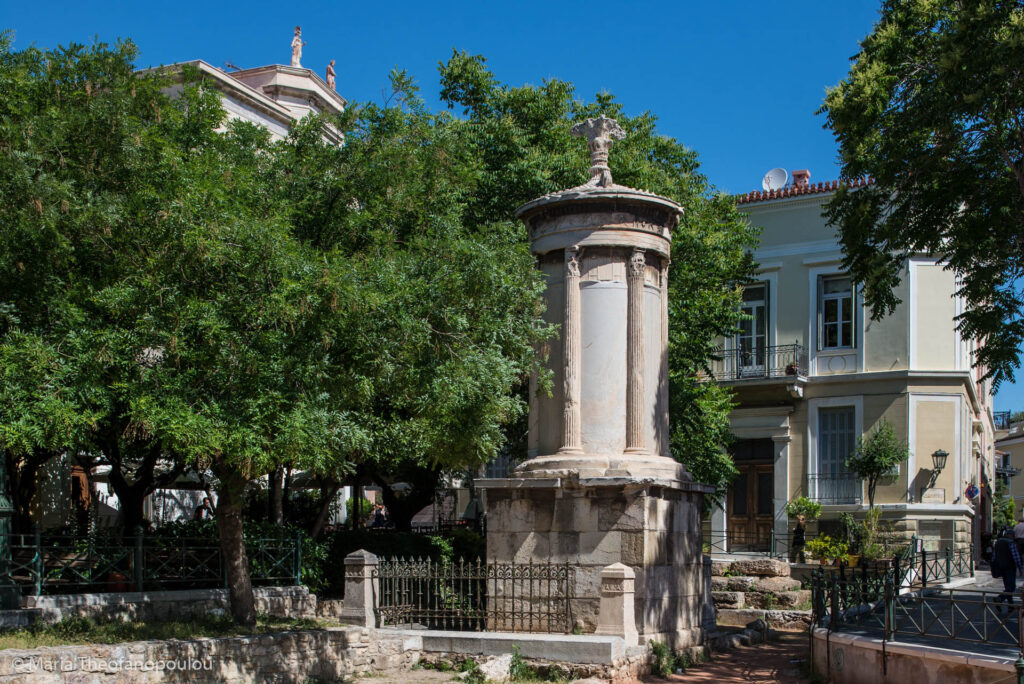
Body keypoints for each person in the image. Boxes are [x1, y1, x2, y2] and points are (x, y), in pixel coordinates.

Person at [991, 528, 1022, 610]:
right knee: (1011, 587)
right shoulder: (1010, 543)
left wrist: (993, 567)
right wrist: (1020, 567)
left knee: (1007, 586)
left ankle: (1010, 605)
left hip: (1000, 567)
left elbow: (994, 556)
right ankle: (1000, 598)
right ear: (1011, 535)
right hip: (1010, 567)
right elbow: (1016, 556)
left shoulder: (998, 542)